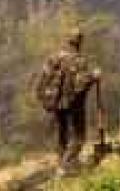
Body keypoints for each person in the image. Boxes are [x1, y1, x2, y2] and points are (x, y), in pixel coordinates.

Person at [37, 28, 101, 174]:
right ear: (80, 42)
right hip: (72, 104)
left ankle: (62, 163)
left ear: (67, 40)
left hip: (56, 103)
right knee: (79, 137)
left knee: (62, 134)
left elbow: (42, 81)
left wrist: (46, 99)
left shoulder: (54, 58)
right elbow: (80, 86)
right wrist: (94, 76)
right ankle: (65, 166)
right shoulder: (79, 60)